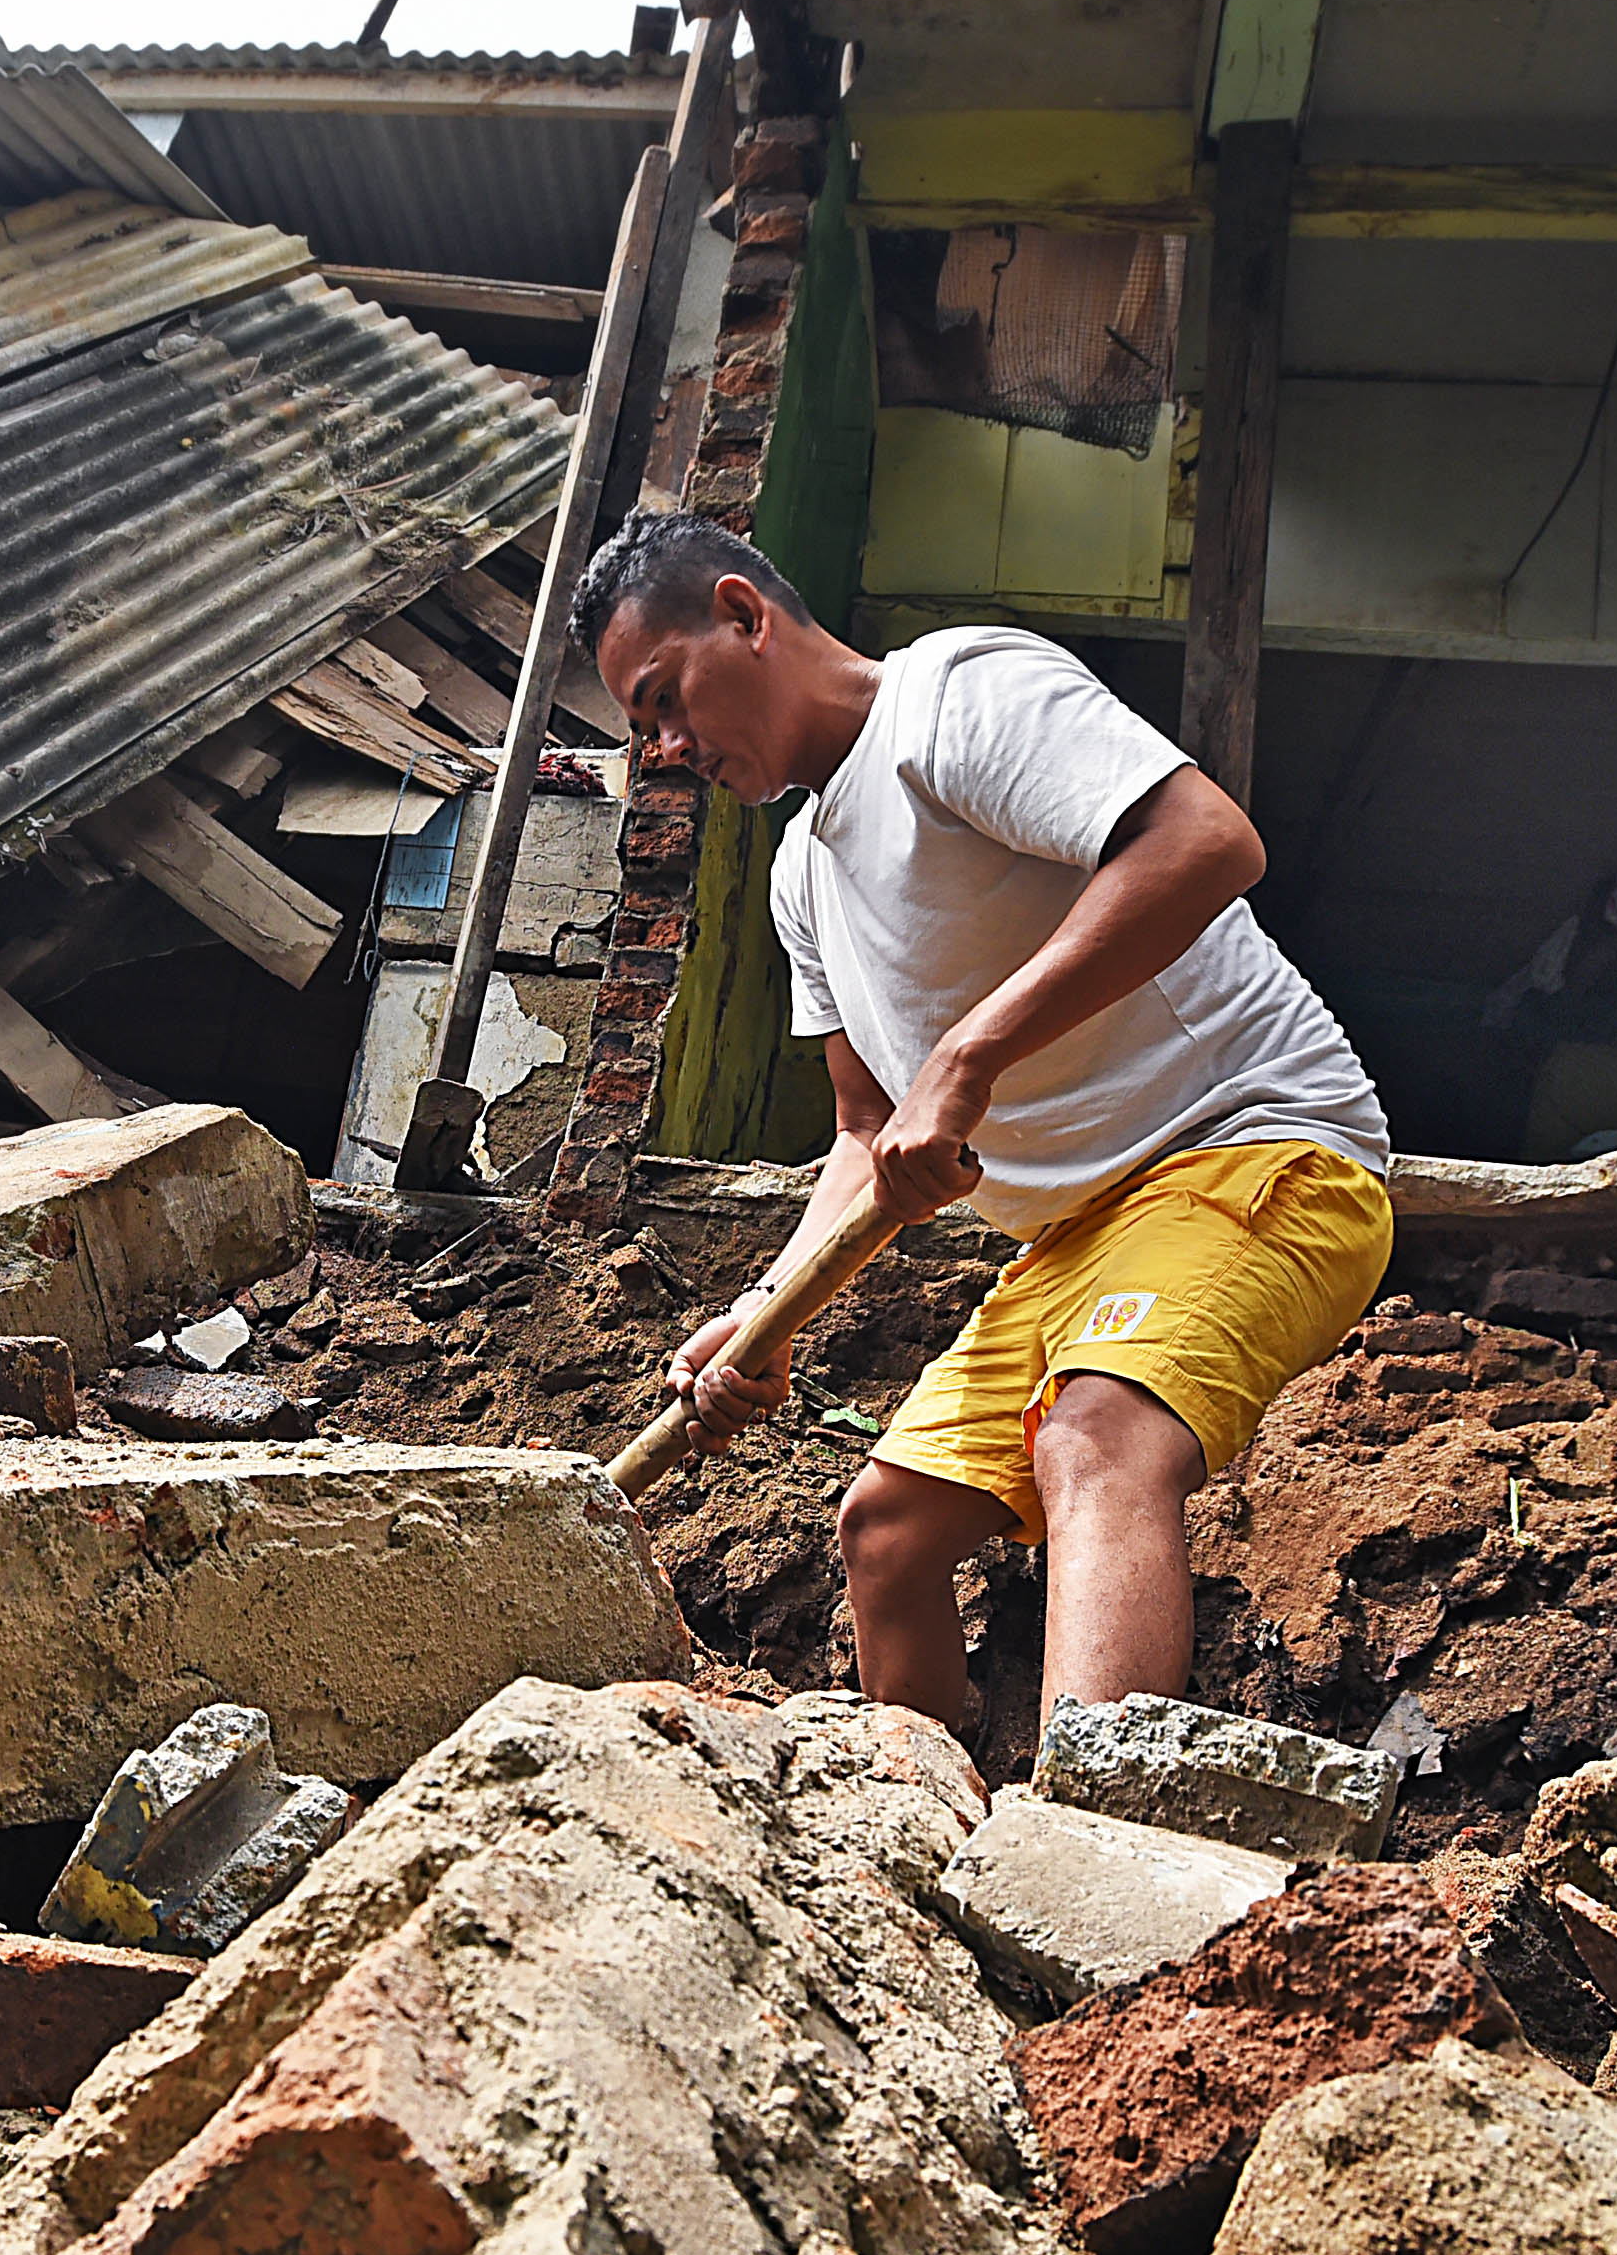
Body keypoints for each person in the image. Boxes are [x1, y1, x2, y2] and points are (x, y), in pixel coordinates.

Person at [570, 509, 1394, 1728]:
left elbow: (1208, 841)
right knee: (887, 1531)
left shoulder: (956, 697)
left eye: (666, 699)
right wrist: (769, 1309)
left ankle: (1077, 1847)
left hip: (1253, 1146)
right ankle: (918, 1843)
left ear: (744, 616)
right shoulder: (804, 877)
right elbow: (862, 1130)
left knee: (1093, 1433)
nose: (671, 746)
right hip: (1069, 1237)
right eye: (646, 731)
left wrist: (966, 1055)